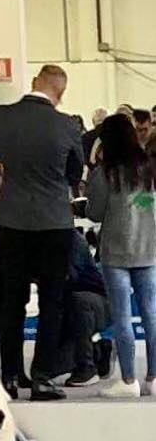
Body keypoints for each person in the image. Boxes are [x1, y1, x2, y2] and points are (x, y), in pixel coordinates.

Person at [0, 64, 84, 401]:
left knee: (11, 301)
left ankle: (10, 376)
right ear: (61, 92)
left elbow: (2, 157)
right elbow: (75, 172)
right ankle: (43, 377)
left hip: (11, 220)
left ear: (34, 82)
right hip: (54, 222)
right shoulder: (67, 124)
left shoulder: (1, 115)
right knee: (51, 302)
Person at [86, 116, 156, 398]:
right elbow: (148, 203)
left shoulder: (104, 173)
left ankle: (128, 381)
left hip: (115, 253)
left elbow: (94, 213)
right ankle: (154, 378)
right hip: (149, 249)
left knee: (123, 317)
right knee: (152, 315)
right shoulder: (150, 169)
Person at [55, 230, 112, 387]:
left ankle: (87, 366)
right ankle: (99, 349)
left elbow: (69, 277)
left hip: (98, 303)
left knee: (79, 300)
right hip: (68, 306)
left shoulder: (73, 240)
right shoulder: (37, 238)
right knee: (52, 367)